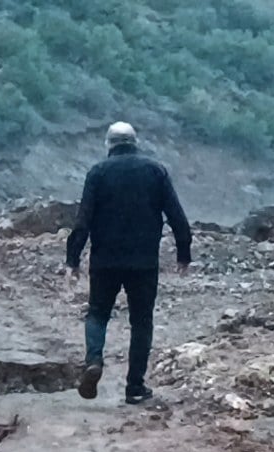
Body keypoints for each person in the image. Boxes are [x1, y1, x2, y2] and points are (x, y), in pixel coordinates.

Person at [66, 122, 193, 404]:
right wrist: (183, 252)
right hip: (143, 262)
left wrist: (72, 259)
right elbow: (176, 216)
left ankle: (94, 360)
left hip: (104, 261)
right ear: (135, 142)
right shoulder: (155, 171)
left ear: (108, 144)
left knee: (98, 313)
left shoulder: (98, 173)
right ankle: (135, 386)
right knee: (141, 321)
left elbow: (83, 219)